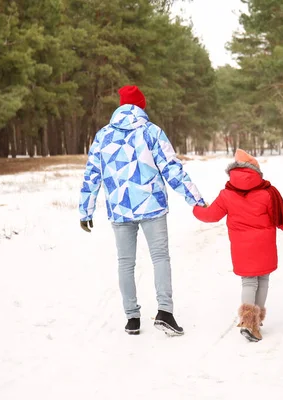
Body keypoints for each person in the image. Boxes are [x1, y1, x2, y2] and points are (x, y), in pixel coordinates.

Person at [78, 85, 206, 336]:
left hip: (119, 207)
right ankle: (165, 312)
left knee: (125, 263)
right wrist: (196, 200)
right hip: (151, 205)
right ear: (141, 106)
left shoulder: (103, 135)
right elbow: (171, 167)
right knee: (160, 257)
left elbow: (92, 174)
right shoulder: (151, 131)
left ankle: (132, 318)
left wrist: (86, 210)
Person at [192, 149, 283, 342]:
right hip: (265, 245)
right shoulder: (268, 193)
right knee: (263, 280)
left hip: (241, 247)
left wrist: (197, 209)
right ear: (256, 171)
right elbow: (281, 219)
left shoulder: (227, 194)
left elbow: (211, 215)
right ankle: (255, 322)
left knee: (248, 281)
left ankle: (248, 321)